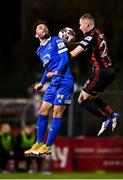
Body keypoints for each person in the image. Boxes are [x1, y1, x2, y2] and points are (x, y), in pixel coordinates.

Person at [24, 20, 74, 156]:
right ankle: (39, 143)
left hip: (64, 81)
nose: (43, 28)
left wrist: (57, 72)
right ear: (36, 35)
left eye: (45, 27)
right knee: (42, 111)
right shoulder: (39, 50)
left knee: (57, 112)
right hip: (53, 83)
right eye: (40, 28)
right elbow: (47, 69)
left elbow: (65, 59)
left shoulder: (56, 40)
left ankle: (48, 146)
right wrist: (42, 82)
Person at [70, 13, 120, 136]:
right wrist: (68, 44)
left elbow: (74, 54)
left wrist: (59, 52)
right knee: (92, 97)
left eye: (81, 25)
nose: (80, 27)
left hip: (100, 73)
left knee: (82, 99)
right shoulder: (98, 33)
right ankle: (113, 114)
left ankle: (104, 119)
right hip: (110, 72)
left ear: (87, 24)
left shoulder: (90, 37)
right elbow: (85, 44)